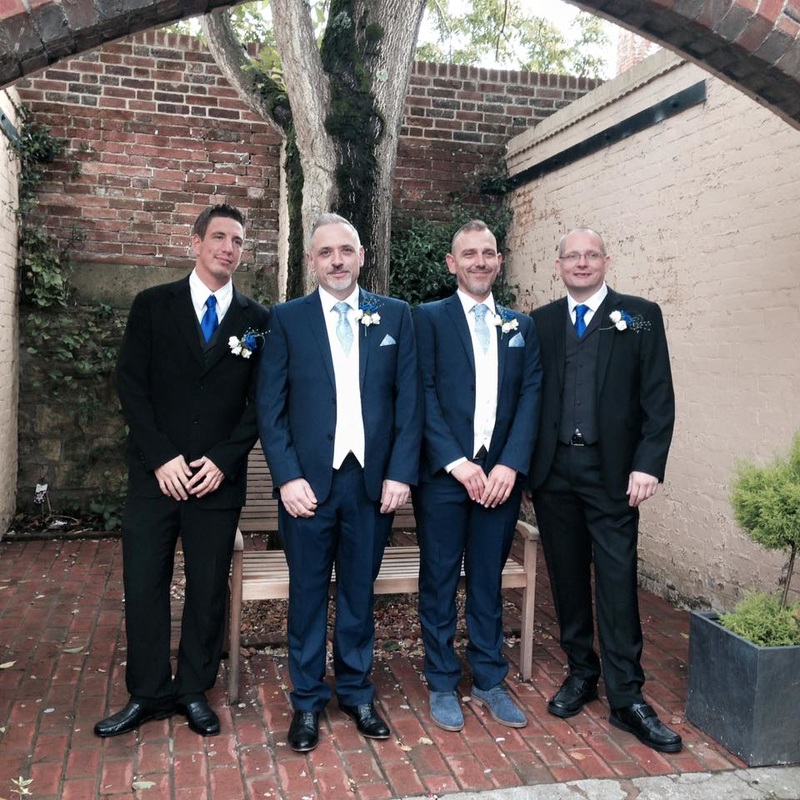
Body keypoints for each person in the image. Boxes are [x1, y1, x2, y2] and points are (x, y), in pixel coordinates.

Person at [94, 204, 270, 738]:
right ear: (195, 243)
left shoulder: (257, 320)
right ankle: (148, 692)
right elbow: (131, 385)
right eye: (218, 237)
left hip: (216, 482)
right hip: (156, 477)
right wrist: (160, 457)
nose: (228, 248)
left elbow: (260, 402)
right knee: (144, 582)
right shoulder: (152, 305)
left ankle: (194, 689)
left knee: (208, 587)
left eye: (237, 241)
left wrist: (224, 460)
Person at [257, 212, 422, 752]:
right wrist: (286, 478)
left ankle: (355, 691)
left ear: (361, 256)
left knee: (358, 592)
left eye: (346, 250)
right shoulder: (287, 319)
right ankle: (307, 700)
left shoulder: (395, 315)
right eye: (326, 252)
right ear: (311, 261)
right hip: (308, 487)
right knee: (307, 593)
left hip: (371, 486)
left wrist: (400, 473)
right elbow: (271, 409)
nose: (336, 261)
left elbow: (409, 404)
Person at [528, 228, 681, 753]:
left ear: (606, 261)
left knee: (616, 580)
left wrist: (648, 465)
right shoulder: (541, 322)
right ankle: (581, 671)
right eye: (572, 256)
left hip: (613, 473)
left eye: (590, 255)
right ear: (558, 265)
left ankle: (627, 696)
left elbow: (659, 398)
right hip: (554, 473)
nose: (582, 263)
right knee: (566, 577)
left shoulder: (639, 315)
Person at [412, 220, 542, 732]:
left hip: (500, 480)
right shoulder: (428, 319)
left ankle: (489, 679)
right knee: (440, 578)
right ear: (452, 263)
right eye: (469, 254)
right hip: (446, 477)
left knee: (487, 579)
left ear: (499, 261)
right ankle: (442, 680)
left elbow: (531, 396)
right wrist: (456, 461)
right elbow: (421, 392)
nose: (479, 262)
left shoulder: (521, 326)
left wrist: (509, 464)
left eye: (488, 253)